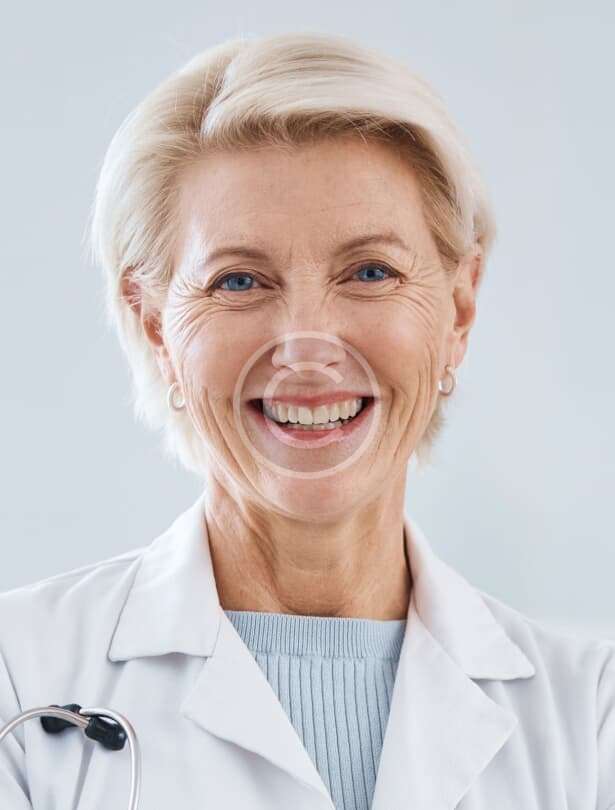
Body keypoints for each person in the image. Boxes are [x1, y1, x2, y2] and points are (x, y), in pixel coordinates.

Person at [1, 31, 613, 810]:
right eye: (239, 281)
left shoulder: (589, 716)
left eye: (369, 272)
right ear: (155, 327)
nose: (306, 346)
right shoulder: (19, 677)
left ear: (458, 308)